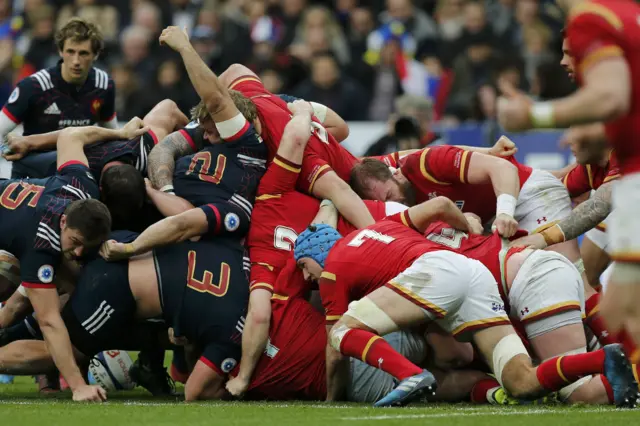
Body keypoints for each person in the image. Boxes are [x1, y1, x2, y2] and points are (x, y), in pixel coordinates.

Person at [293, 207, 639, 407]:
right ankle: (602, 359)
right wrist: (468, 222)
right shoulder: (382, 227)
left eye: (305, 268)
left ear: (313, 256)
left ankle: (411, 375)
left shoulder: (333, 268)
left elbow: (335, 352)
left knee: (343, 330)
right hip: (473, 272)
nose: (308, 278)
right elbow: (439, 204)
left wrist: (331, 401)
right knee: (520, 383)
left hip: (442, 274)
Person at [496, 0, 640, 357]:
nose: (564, 61)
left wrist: (534, 115)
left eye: (569, 53)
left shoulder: (591, 18)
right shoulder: (626, 13)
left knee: (621, 303)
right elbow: (558, 182)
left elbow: (610, 96)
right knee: (617, 305)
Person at [0, 235, 249, 402]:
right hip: (115, 289)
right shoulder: (234, 323)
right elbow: (194, 391)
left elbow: (180, 224)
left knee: (164, 336)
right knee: (69, 352)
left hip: (123, 249)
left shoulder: (236, 248)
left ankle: (11, 331)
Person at [0, 125, 112, 402]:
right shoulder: (43, 243)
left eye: (86, 245)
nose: (77, 251)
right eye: (74, 241)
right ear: (63, 222)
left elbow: (71, 136)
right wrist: (78, 387)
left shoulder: (82, 186)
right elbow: (49, 321)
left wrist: (121, 134)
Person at [218, 61, 375, 229]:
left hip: (308, 150)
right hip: (292, 117)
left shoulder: (301, 157)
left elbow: (340, 187)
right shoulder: (265, 101)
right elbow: (341, 129)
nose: (209, 135)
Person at [0, 18, 117, 178]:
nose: (76, 61)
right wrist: (6, 150)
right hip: (34, 176)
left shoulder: (104, 86)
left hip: (76, 173)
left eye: (83, 53)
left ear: (95, 55)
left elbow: (112, 134)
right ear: (61, 51)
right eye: (70, 52)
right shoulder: (33, 86)